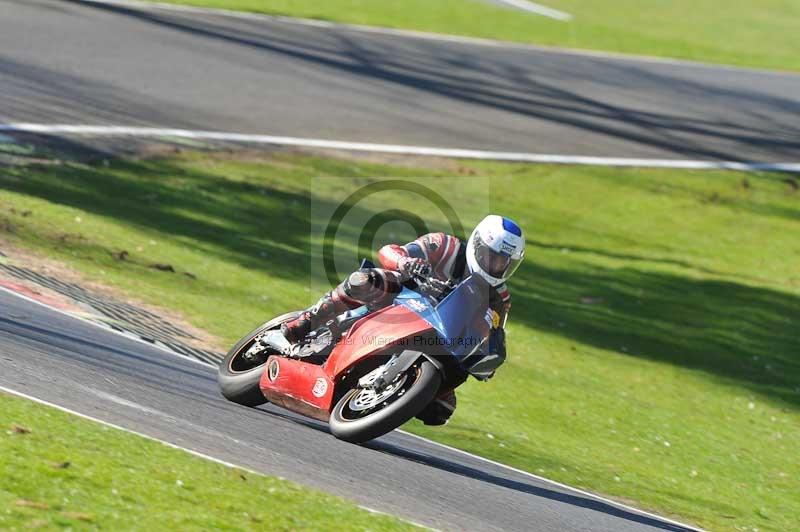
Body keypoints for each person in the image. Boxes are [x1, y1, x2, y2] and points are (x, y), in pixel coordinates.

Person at [281, 215, 525, 425]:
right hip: (402, 299)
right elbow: (390, 251)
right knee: (366, 279)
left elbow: (491, 331)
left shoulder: (500, 298)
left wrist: (487, 358)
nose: (497, 266)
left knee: (440, 410)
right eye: (492, 257)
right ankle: (308, 320)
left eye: (505, 263)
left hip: (439, 339)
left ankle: (393, 394)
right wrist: (406, 263)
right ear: (478, 245)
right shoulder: (447, 246)